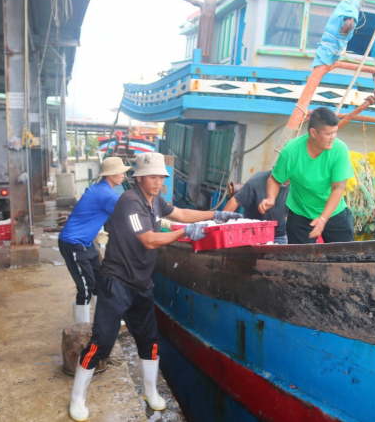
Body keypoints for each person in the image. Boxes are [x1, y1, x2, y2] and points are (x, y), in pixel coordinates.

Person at [68, 152, 243, 421]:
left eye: (162, 176)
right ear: (139, 178)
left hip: (141, 283)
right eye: (153, 176)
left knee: (149, 341)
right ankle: (78, 397)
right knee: (102, 342)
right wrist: (184, 232)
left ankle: (151, 392)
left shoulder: (156, 201)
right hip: (116, 282)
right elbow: (150, 240)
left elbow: (182, 213)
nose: (158, 180)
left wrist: (217, 215)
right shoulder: (129, 202)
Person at [259, 107, 354, 244]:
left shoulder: (340, 150)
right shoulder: (290, 151)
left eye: (335, 132)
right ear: (313, 132)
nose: (333, 137)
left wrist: (322, 219)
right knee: (298, 261)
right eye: (328, 134)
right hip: (300, 214)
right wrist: (270, 198)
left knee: (347, 258)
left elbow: (338, 188)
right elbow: (274, 179)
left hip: (334, 213)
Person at [59, 157, 130, 325]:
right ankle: (81, 329)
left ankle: (104, 320)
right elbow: (128, 216)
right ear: (110, 175)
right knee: (85, 288)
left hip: (85, 243)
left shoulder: (99, 189)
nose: (123, 176)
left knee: (99, 282)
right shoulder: (107, 195)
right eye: (120, 172)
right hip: (73, 243)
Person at [224, 170, 289, 244]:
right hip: (253, 233)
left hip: (279, 234)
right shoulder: (256, 182)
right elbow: (235, 201)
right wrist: (220, 224)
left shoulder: (295, 184)